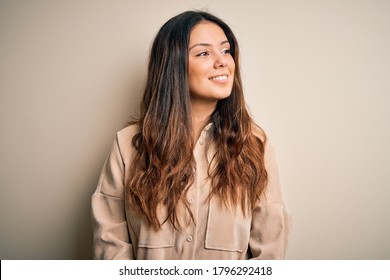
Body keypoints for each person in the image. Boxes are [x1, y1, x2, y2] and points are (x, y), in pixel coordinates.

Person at [91, 10, 290, 260]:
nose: (222, 62)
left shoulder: (255, 144)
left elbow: (270, 250)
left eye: (226, 50)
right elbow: (110, 243)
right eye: (204, 53)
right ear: (173, 65)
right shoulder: (127, 145)